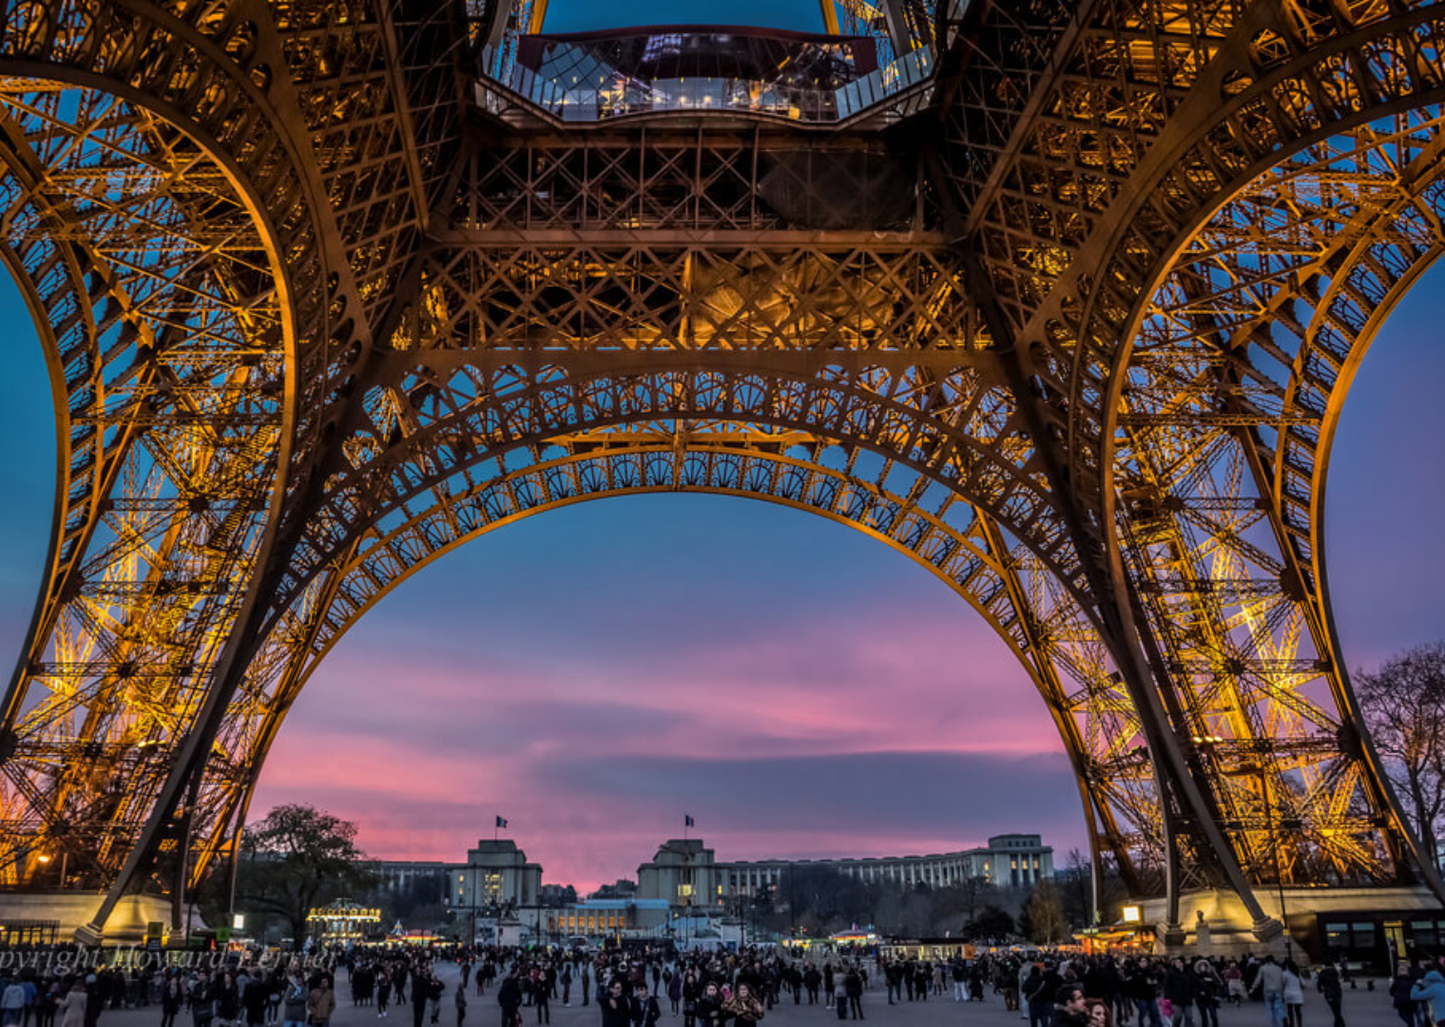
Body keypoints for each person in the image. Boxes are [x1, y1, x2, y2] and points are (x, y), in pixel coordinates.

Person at [1251, 957, 1286, 1027]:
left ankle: (1275, 1025)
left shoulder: (1262, 968)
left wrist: (1253, 987)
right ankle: (1283, 1016)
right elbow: (1282, 979)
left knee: (1270, 1008)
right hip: (1278, 990)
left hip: (1268, 990)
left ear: (1266, 961)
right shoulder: (1278, 968)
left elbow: (1258, 979)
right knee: (1278, 1006)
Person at [1282, 962, 1304, 1027]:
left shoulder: (1284, 974)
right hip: (1298, 994)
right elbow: (1303, 984)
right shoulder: (1297, 974)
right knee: (1298, 1011)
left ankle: (1292, 1024)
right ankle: (1300, 1025)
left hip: (1288, 994)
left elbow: (1282, 983)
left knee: (1290, 1011)